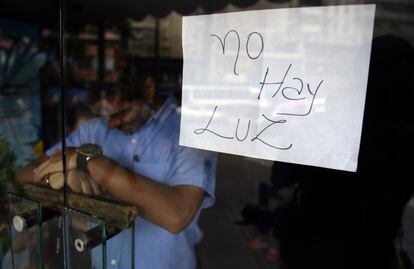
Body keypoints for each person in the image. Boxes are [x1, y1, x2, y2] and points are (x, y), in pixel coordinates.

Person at [16, 74, 217, 269]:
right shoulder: (95, 130)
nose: (112, 123)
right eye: (104, 116)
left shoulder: (191, 134)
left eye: (121, 112)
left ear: (148, 90)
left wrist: (87, 162)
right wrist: (62, 179)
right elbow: (25, 176)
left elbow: (177, 216)